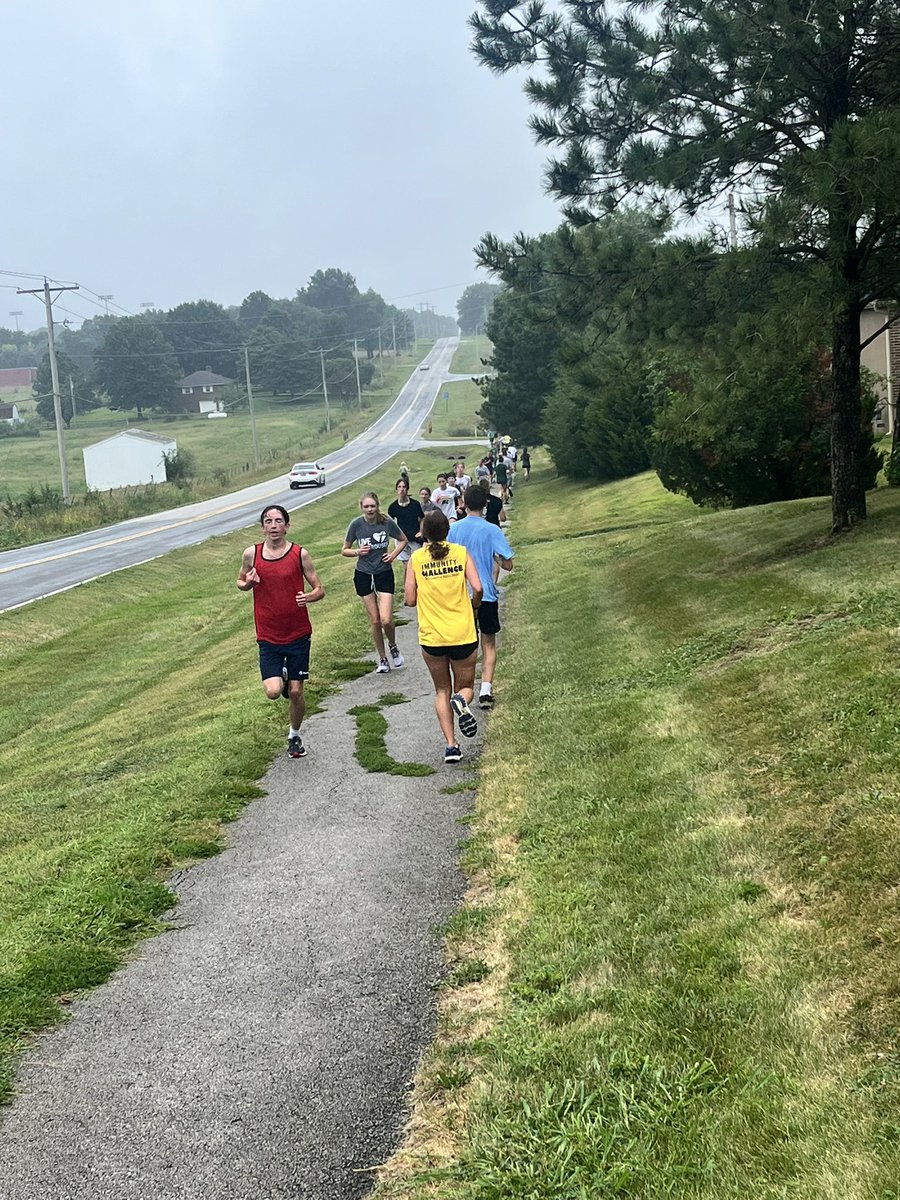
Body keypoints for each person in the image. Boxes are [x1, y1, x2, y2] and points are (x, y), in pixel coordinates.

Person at [237, 504, 325, 759]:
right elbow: (240, 581)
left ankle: (294, 736)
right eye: (268, 521)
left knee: (296, 692)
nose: (273, 526)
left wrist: (309, 597)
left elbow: (319, 588)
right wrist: (248, 584)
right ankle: (283, 676)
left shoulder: (299, 554)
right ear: (263, 526)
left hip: (298, 632)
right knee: (274, 692)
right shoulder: (251, 554)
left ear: (287, 526)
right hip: (268, 634)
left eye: (278, 521)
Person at [405, 509, 483, 764]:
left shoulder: (416, 559)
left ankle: (451, 746)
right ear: (447, 531)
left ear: (423, 533)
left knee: (441, 689)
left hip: (432, 637)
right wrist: (474, 604)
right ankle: (461, 701)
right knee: (466, 687)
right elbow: (478, 587)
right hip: (462, 632)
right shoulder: (460, 553)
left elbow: (409, 599)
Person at [449, 485, 515, 710]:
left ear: (464, 504)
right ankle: (486, 688)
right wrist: (495, 558)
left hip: (461, 594)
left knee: (465, 643)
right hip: (486, 592)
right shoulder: (492, 530)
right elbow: (508, 564)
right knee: (488, 641)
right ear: (485, 504)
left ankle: (462, 689)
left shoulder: (454, 530)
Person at [342, 491, 407, 673]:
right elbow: (344, 550)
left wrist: (393, 555)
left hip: (383, 573)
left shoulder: (386, 522)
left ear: (377, 506)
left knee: (386, 619)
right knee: (375, 620)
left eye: (372, 506)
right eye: (366, 506)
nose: (370, 509)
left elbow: (403, 539)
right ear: (361, 508)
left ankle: (393, 646)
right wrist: (357, 552)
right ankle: (383, 659)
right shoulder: (356, 525)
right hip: (363, 574)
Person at [388, 476, 425, 587]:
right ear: (396, 490)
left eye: (404, 487)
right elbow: (390, 522)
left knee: (418, 564)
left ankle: (420, 587)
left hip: (414, 538)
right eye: (399, 487)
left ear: (407, 489)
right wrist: (395, 535)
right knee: (406, 565)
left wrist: (421, 531)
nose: (402, 489)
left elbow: (422, 518)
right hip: (401, 539)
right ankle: (408, 589)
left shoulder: (415, 504)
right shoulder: (393, 507)